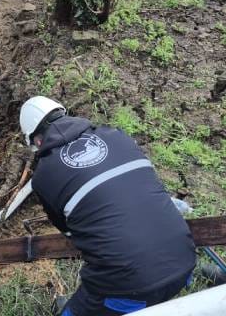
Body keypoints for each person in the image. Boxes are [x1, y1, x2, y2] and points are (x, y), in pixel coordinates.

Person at [20, 96, 195, 316]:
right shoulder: (118, 136)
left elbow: (68, 231)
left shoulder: (44, 177)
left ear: (36, 141)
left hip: (129, 289)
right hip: (185, 263)